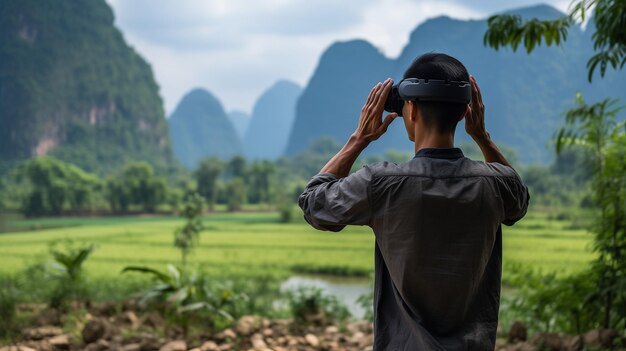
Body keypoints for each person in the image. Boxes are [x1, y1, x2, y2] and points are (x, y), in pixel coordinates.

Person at [298, 53, 529, 350]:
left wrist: (360, 138)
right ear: (464, 113)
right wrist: (482, 136)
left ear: (411, 109)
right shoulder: (496, 184)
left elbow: (313, 204)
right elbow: (518, 201)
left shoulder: (381, 184)